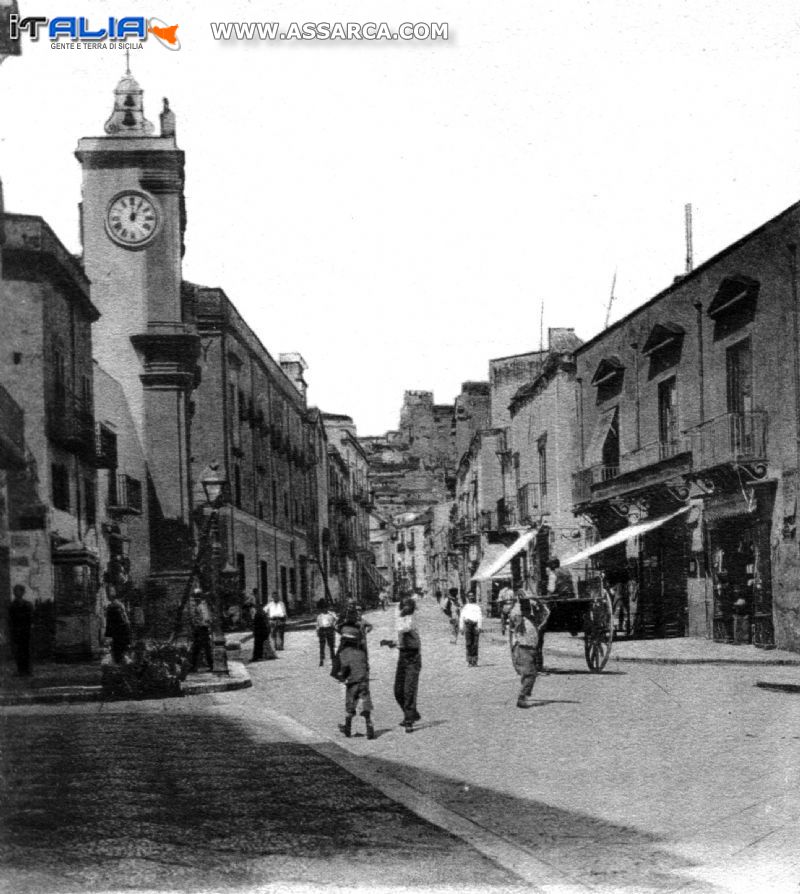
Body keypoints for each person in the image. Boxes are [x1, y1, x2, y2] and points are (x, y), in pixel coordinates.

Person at [509, 592, 550, 708]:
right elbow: (514, 615)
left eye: (527, 604)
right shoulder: (518, 618)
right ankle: (522, 698)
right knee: (530, 674)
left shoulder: (533, 618)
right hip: (522, 648)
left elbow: (546, 613)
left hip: (532, 649)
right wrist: (519, 601)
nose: (526, 606)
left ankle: (523, 695)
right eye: (524, 604)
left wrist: (538, 601)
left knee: (529, 674)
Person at [335, 620, 375, 739]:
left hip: (352, 683)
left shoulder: (344, 653)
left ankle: (347, 728)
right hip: (364, 681)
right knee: (366, 703)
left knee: (350, 706)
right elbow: (366, 666)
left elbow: (343, 670)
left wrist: (341, 677)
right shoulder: (362, 652)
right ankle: (369, 726)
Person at [394, 597, 421, 732]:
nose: (406, 609)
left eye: (408, 606)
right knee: (398, 690)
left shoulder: (412, 617)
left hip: (413, 657)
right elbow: (399, 635)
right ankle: (411, 713)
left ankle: (409, 720)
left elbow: (406, 628)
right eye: (404, 606)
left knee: (409, 690)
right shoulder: (400, 617)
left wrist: (400, 616)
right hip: (402, 656)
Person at [544, 559, 575, 670]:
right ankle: (573, 626)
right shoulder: (567, 571)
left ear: (552, 566)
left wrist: (547, 595)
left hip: (559, 601)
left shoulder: (553, 574)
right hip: (571, 599)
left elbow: (551, 589)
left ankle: (548, 625)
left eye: (549, 565)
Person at [8, 584, 33, 676]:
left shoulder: (27, 605)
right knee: (18, 652)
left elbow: (30, 618)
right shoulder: (12, 605)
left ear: (23, 592)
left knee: (26, 651)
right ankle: (20, 670)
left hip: (25, 631)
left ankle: (27, 670)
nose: (17, 593)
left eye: (19, 591)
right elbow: (10, 619)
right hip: (16, 631)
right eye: (15, 591)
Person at [190, 589, 214, 672]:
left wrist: (202, 624)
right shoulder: (199, 605)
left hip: (202, 629)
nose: (196, 599)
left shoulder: (202, 606)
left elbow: (206, 618)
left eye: (197, 597)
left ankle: (210, 665)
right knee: (197, 648)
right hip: (199, 629)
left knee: (204, 647)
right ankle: (193, 666)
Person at [105, 593, 132, 664]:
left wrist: (108, 635)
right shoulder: (119, 608)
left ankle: (119, 662)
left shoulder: (112, 608)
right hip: (120, 633)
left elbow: (109, 624)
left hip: (117, 633)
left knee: (118, 652)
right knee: (121, 651)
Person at [459, 592, 482, 667]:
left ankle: (474, 661)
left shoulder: (477, 607)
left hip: (475, 626)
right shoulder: (465, 607)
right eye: (470, 596)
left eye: (472, 596)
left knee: (475, 644)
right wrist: (461, 627)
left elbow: (479, 617)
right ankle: (469, 661)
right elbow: (461, 617)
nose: (471, 598)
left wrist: (479, 627)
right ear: (467, 597)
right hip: (468, 625)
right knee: (469, 644)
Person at [315, 599, 337, 666]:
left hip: (329, 629)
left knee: (331, 645)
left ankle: (333, 659)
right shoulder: (319, 616)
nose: (324, 609)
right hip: (322, 630)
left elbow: (336, 621)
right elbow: (317, 625)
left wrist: (333, 616)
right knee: (322, 646)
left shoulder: (331, 615)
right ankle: (321, 659)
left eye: (325, 607)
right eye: (322, 608)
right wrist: (317, 632)